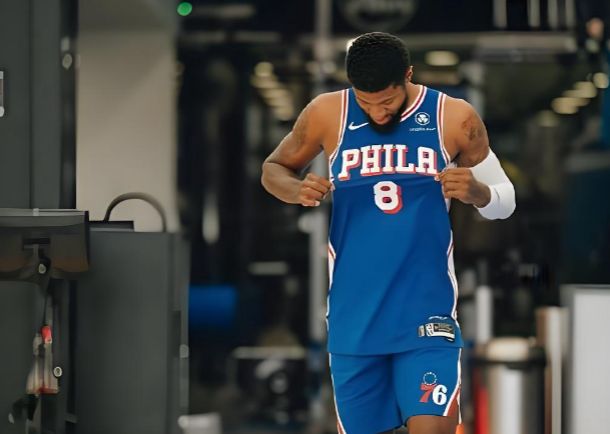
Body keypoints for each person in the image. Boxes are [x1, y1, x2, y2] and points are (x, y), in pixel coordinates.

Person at [261, 32, 515, 434]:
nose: (378, 113)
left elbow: (506, 200)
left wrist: (479, 192)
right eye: (366, 103)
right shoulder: (328, 112)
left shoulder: (453, 117)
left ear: (408, 76)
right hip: (354, 321)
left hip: (426, 318)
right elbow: (273, 169)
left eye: (387, 102)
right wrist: (295, 190)